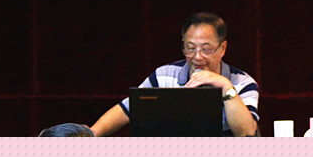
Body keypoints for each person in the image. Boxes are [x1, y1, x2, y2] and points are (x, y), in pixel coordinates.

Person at [90, 12, 260, 137]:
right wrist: (92, 133)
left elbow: (246, 133)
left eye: (206, 49)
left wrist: (225, 86)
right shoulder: (164, 75)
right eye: (190, 48)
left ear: (222, 48)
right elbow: (128, 109)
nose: (197, 56)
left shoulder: (243, 83)